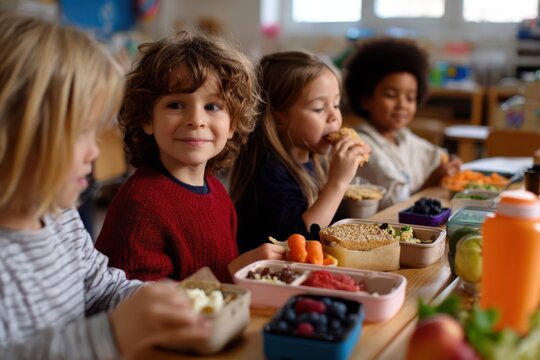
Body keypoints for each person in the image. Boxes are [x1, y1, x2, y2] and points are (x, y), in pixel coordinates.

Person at [0, 13, 212, 359]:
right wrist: (112, 334)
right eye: (80, 131)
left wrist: (153, 300)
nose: (95, 151)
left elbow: (101, 288)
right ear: (14, 136)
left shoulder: (61, 218)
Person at [95, 30, 285, 283]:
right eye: (176, 105)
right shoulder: (139, 204)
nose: (196, 120)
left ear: (232, 125)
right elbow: (143, 303)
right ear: (147, 119)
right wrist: (236, 270)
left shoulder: (218, 192)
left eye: (212, 107)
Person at [229, 51, 371, 253]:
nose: (334, 117)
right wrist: (338, 183)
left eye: (337, 105)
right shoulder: (268, 172)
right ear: (279, 120)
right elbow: (295, 243)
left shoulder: (314, 160)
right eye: (319, 108)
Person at [344, 37, 462, 209]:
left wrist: (450, 165)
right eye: (391, 95)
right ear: (365, 99)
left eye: (410, 98)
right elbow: (394, 202)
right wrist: (431, 182)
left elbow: (435, 157)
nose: (402, 105)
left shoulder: (403, 137)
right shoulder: (361, 146)